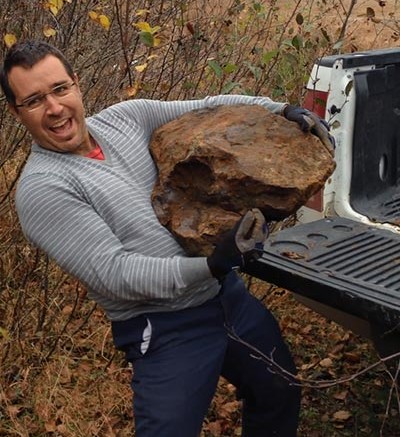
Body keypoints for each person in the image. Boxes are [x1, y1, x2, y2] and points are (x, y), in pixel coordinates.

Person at [1, 40, 332, 437]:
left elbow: (211, 107)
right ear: (16, 112)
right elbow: (115, 273)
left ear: (76, 84)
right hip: (164, 327)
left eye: (59, 89)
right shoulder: (43, 189)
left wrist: (278, 110)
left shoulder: (128, 118)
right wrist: (210, 265)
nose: (54, 108)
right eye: (34, 100)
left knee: (279, 390)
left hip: (228, 299)